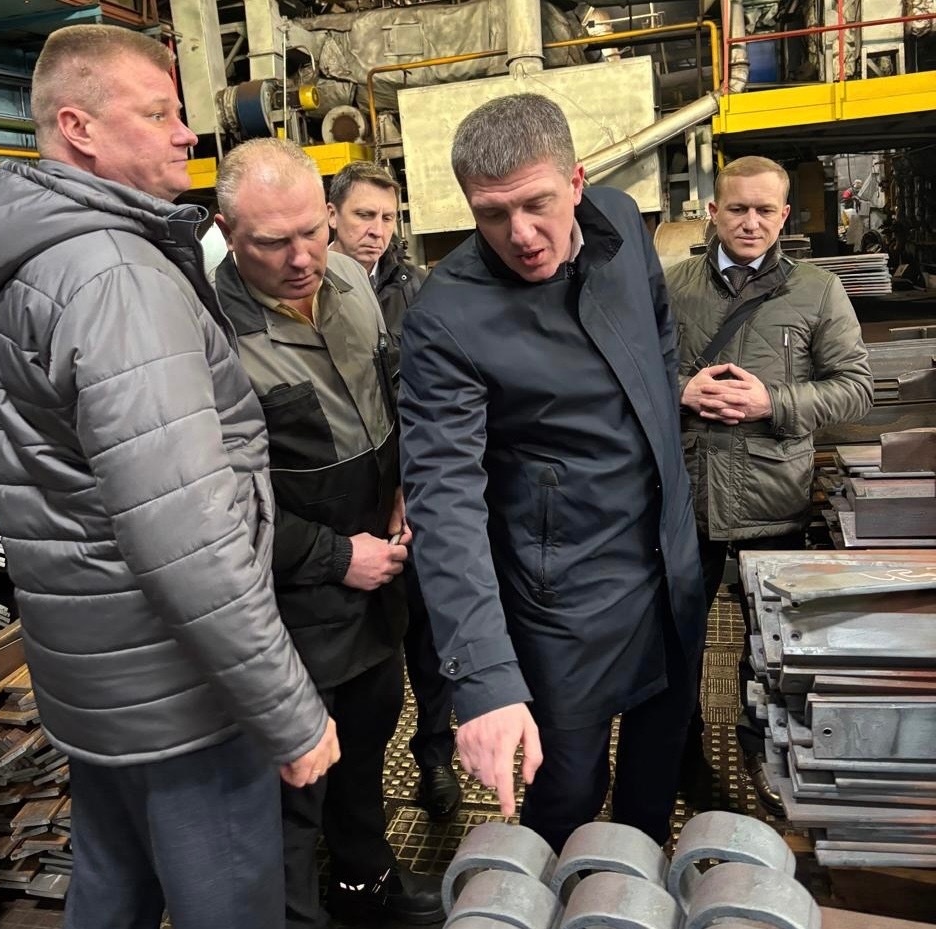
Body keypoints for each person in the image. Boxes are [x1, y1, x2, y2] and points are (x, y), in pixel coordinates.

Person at [0, 24, 339, 929]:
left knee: (112, 892)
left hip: (102, 686)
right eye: (159, 113)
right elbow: (186, 533)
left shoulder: (44, 259)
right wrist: (288, 710)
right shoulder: (116, 280)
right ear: (79, 128)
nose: (186, 133)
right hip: (182, 698)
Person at [398, 93, 706, 854]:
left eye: (536, 203)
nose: (521, 235)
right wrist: (486, 678)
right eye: (491, 214)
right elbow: (444, 499)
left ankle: (629, 887)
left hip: (667, 560)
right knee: (567, 785)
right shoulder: (446, 316)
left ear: (576, 181)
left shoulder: (620, 226)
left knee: (655, 769)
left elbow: (659, 335)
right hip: (562, 593)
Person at [212, 138, 444, 928]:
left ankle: (363, 884)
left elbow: (391, 395)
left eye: (313, 230)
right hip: (292, 607)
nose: (303, 257)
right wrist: (336, 555)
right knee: (293, 786)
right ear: (227, 232)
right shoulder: (209, 335)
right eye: (273, 242)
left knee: (367, 748)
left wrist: (407, 480)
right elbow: (212, 508)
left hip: (378, 585)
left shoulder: (348, 282)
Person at [667, 155, 873, 813]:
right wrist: (681, 390)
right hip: (689, 499)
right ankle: (683, 753)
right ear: (713, 212)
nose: (750, 222)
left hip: (774, 498)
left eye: (764, 210)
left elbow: (856, 388)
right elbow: (635, 374)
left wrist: (773, 402)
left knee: (767, 646)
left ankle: (760, 746)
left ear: (785, 215)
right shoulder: (673, 288)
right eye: (737, 208)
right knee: (677, 641)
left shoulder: (817, 291)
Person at [327, 161, 461, 822]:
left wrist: (415, 482)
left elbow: (436, 398)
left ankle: (435, 756)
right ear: (332, 216)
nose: (376, 230)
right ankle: (354, 781)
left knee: (431, 643)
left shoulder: (421, 292)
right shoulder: (311, 292)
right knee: (360, 655)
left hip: (415, 500)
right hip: (347, 509)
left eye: (387, 217)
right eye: (363, 215)